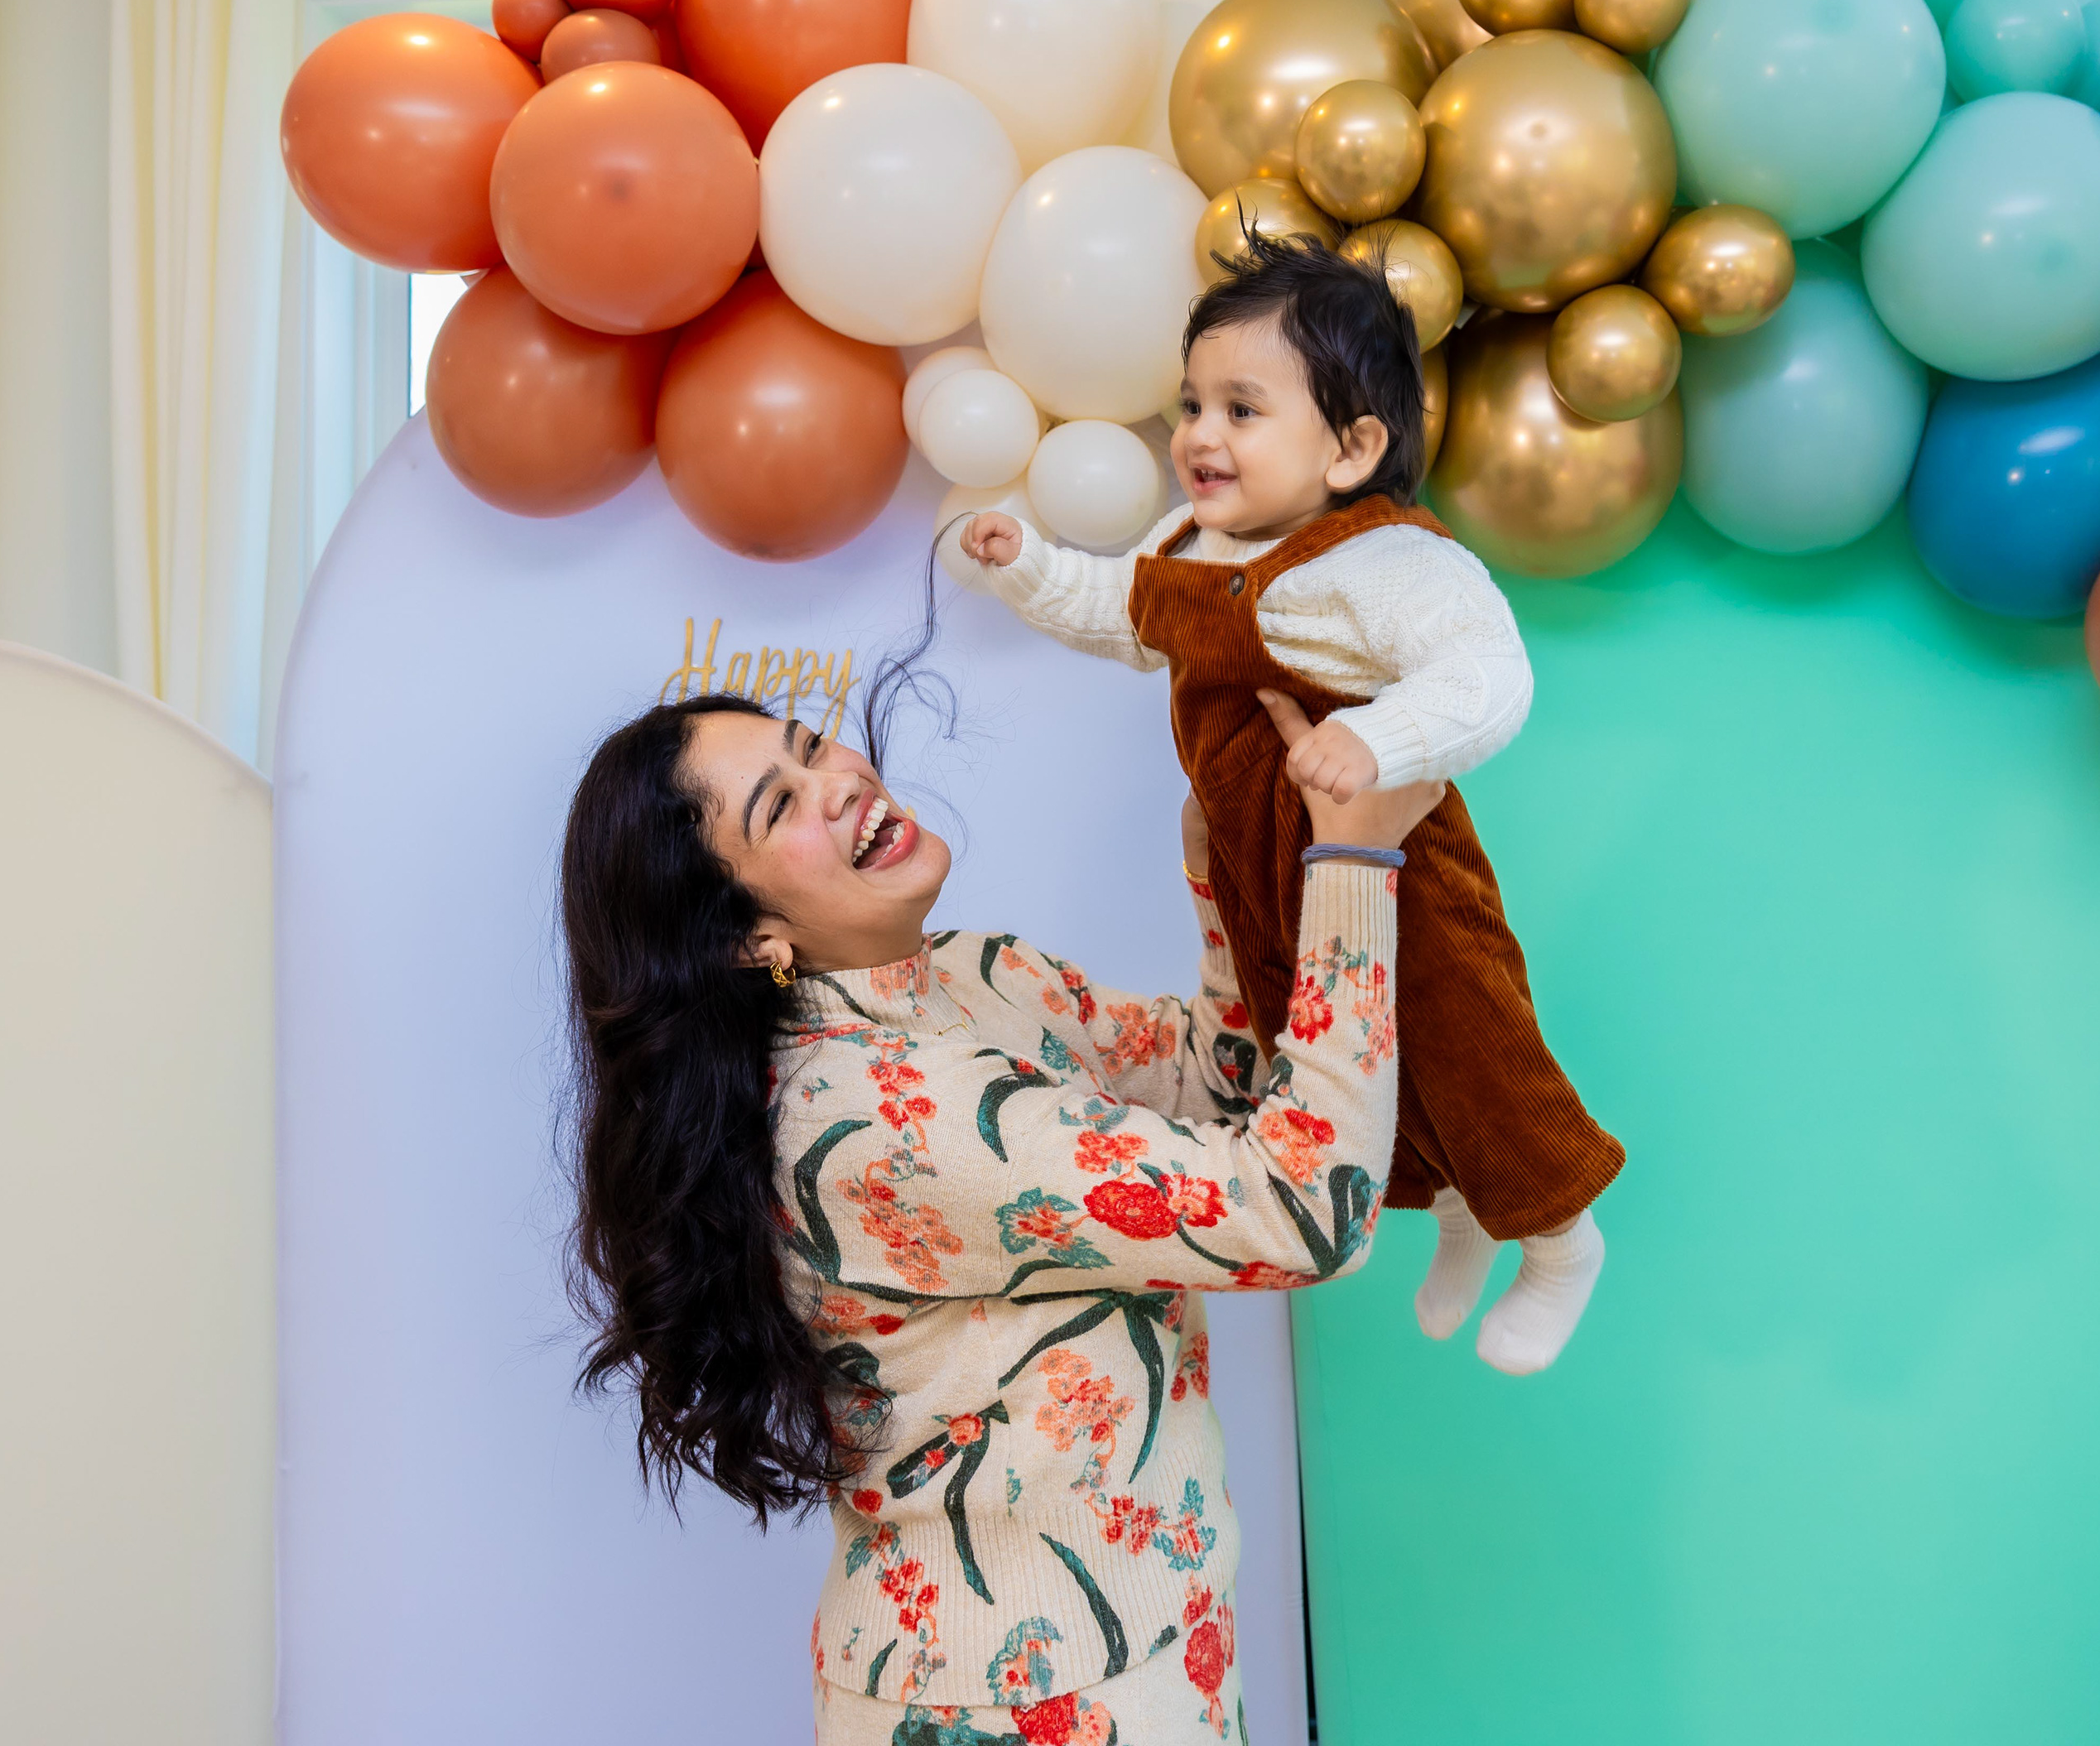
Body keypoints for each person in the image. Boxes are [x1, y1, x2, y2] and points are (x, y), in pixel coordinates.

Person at [560, 684, 1442, 1743]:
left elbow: (1209, 1081)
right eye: (780, 804)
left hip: (1155, 1641)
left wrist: (1219, 856)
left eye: (811, 745)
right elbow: (1307, 1209)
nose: (839, 780)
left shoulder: (975, 972)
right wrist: (1355, 864)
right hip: (1019, 1700)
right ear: (748, 939)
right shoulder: (882, 1122)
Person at [960, 232, 1625, 1377]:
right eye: (1191, 404)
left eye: (1242, 409)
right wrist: (1026, 564)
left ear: (1352, 447)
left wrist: (1377, 737)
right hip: (1271, 878)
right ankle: (1460, 1214)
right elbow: (1120, 613)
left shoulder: (1388, 564)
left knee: (1467, 1048)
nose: (1199, 434)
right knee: (1356, 1068)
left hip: (1394, 866)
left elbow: (1489, 674)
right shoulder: (1188, 544)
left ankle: (1563, 1238)